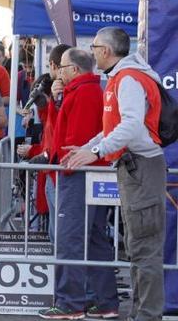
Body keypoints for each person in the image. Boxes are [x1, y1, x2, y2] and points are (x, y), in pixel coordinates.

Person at [64, 27, 167, 321]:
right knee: (138, 248)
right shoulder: (123, 77)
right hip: (135, 168)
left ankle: (146, 315)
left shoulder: (129, 79)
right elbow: (116, 127)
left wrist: (95, 151)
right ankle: (141, 314)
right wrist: (88, 146)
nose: (92, 51)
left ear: (106, 51)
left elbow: (131, 126)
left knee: (144, 249)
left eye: (95, 46)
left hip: (140, 168)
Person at [36, 48, 117, 320]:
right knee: (94, 238)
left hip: (77, 173)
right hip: (86, 172)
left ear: (74, 69)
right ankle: (104, 302)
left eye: (62, 67)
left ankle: (70, 303)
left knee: (70, 238)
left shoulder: (83, 93)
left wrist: (65, 165)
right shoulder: (88, 91)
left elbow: (75, 139)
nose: (59, 71)